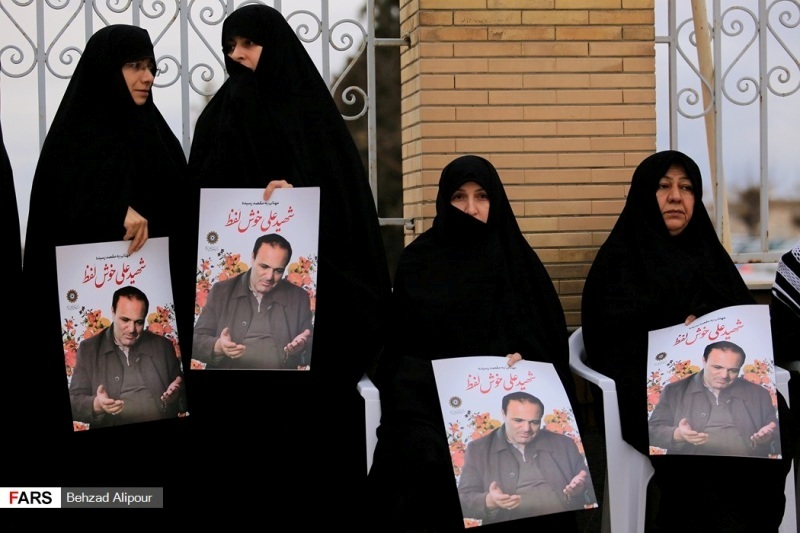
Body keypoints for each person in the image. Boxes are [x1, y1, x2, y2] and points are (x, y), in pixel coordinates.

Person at [367, 155, 585, 531]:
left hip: (505, 402)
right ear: (444, 201)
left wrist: (524, 359)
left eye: (482, 196)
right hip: (430, 402)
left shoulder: (518, 262)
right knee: (420, 455)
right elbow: (400, 346)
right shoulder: (419, 261)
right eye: (459, 197)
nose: (470, 208)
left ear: (495, 201)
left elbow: (547, 342)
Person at [581, 150, 792, 532]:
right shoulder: (618, 263)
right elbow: (610, 348)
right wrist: (679, 338)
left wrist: (711, 327)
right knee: (705, 455)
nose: (676, 196)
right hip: (649, 397)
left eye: (687, 187)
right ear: (644, 194)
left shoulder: (710, 257)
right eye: (664, 186)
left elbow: (748, 330)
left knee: (777, 418)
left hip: (726, 387)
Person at [188, 4, 390, 382]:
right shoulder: (218, 117)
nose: (237, 54)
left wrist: (298, 194)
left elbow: (344, 201)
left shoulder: (309, 112)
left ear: (275, 46)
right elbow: (197, 196)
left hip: (318, 293)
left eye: (249, 43)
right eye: (230, 46)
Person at [458, 392, 593, 524]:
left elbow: (590, 486)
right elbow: (463, 501)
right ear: (503, 414)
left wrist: (581, 488)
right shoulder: (478, 449)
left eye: (534, 422)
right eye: (518, 420)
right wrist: (490, 501)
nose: (526, 429)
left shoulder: (564, 443)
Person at [192, 233, 313, 369]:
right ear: (252, 258)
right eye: (264, 266)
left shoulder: (299, 297)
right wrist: (218, 346)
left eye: (278, 270)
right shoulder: (221, 291)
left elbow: (308, 348)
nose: (269, 277)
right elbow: (195, 341)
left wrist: (303, 348)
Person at [69, 286, 185, 427]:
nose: (131, 329)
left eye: (139, 322)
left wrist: (178, 392)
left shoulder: (163, 346)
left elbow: (182, 391)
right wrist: (97, 405)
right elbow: (73, 401)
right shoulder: (89, 349)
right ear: (113, 312)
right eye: (125, 320)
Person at [648, 341, 779, 457]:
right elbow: (652, 431)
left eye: (733, 370)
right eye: (717, 367)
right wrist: (678, 434)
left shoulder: (759, 393)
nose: (724, 375)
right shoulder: (674, 391)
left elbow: (777, 433)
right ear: (704, 361)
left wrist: (769, 436)